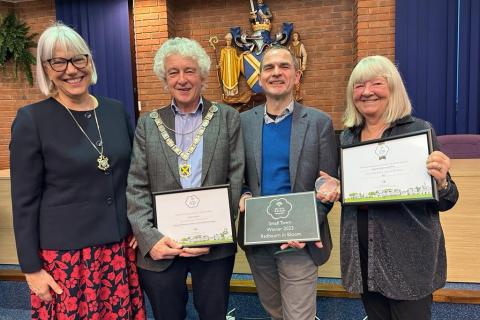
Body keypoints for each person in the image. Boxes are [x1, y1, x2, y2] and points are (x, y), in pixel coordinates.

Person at [9, 23, 145, 319]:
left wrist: (141, 224)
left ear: (90, 61)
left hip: (118, 250)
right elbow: (24, 203)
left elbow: (134, 177)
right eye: (58, 61)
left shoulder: (114, 110)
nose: (71, 70)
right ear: (45, 69)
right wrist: (31, 269)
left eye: (78, 58)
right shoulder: (31, 120)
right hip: (67, 258)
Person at [320, 55, 459, 320]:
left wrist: (441, 181)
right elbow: (357, 190)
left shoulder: (419, 131)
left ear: (393, 88)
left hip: (409, 257)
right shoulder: (348, 137)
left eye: (376, 84)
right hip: (364, 254)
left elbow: (447, 200)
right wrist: (340, 187)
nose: (367, 92)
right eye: (359, 86)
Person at [126, 37, 244, 320]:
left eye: (189, 70)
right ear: (164, 80)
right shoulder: (148, 123)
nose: (182, 79)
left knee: (214, 314)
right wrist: (149, 238)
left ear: (202, 75)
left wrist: (211, 231)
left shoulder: (227, 118)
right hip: (161, 246)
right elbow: (136, 186)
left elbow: (236, 176)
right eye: (173, 72)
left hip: (213, 247)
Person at [238, 45, 338, 320]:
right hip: (258, 239)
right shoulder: (242, 122)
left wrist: (305, 226)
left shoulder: (319, 122)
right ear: (259, 79)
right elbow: (236, 175)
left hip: (299, 243)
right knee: (275, 311)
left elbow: (326, 184)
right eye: (268, 67)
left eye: (284, 66)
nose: (276, 72)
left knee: (298, 316)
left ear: (296, 76)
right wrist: (243, 193)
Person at [219, 32, 241, 97]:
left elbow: (237, 59)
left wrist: (242, 56)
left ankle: (233, 93)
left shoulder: (233, 50)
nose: (229, 42)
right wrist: (219, 65)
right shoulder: (223, 50)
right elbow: (221, 60)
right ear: (226, 41)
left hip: (232, 69)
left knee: (233, 79)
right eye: (228, 40)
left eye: (230, 40)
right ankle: (227, 93)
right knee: (226, 79)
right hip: (226, 70)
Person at [288, 31, 307, 101]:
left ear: (298, 37)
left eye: (296, 36)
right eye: (294, 36)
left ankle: (297, 95)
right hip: (292, 63)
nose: (294, 37)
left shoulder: (300, 45)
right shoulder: (290, 46)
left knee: (297, 79)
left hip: (298, 62)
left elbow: (304, 55)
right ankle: (290, 96)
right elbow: (288, 55)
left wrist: (303, 64)